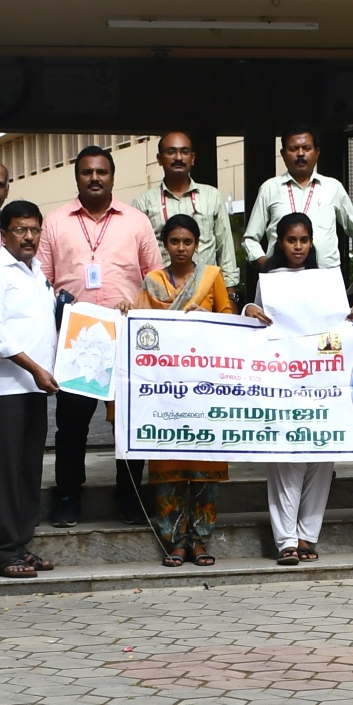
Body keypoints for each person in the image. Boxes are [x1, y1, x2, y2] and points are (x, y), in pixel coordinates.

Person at [39, 145, 163, 527]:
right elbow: (42, 279)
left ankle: (129, 495)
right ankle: (67, 496)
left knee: (128, 422)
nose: (95, 178)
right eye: (87, 172)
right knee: (71, 425)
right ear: (77, 177)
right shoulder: (55, 222)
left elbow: (155, 278)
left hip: (125, 338)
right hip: (77, 340)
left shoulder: (136, 221)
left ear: (112, 176)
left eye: (102, 172)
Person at [138, 213, 234, 566]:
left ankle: (200, 541)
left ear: (197, 244)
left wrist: (204, 318)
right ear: (166, 244)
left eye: (187, 242)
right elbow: (140, 331)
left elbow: (228, 319)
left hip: (204, 390)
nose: (181, 248)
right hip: (165, 393)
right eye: (174, 241)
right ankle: (174, 541)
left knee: (203, 467)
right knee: (168, 467)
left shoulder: (211, 277)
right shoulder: (151, 282)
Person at [0, 200, 62, 579]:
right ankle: (1, 551)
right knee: (6, 471)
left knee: (28, 469)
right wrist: (37, 370)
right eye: (20, 230)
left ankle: (21, 545)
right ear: (4, 234)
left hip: (36, 388)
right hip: (5, 387)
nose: (28, 237)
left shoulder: (37, 271)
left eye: (34, 230)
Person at [246, 214, 339, 564]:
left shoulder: (325, 280)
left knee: (321, 457)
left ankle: (306, 536)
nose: (298, 246)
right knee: (286, 459)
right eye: (290, 240)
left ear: (312, 242)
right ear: (280, 243)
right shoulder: (269, 280)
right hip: (282, 380)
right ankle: (285, 539)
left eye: (303, 240)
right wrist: (250, 310)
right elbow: (254, 324)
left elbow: (336, 330)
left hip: (321, 379)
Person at [240, 126, 353, 273]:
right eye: (293, 149)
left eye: (306, 148)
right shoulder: (270, 188)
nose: (300, 154)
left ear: (317, 152)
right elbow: (250, 239)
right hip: (281, 279)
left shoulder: (333, 187)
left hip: (325, 277)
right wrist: (267, 265)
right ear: (283, 154)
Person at [133, 131, 243, 294]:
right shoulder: (143, 202)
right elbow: (136, 257)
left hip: (207, 293)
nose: (178, 157)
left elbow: (225, 247)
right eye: (171, 152)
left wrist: (231, 295)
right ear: (159, 159)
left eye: (184, 152)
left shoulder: (212, 196)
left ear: (193, 158)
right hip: (162, 296)